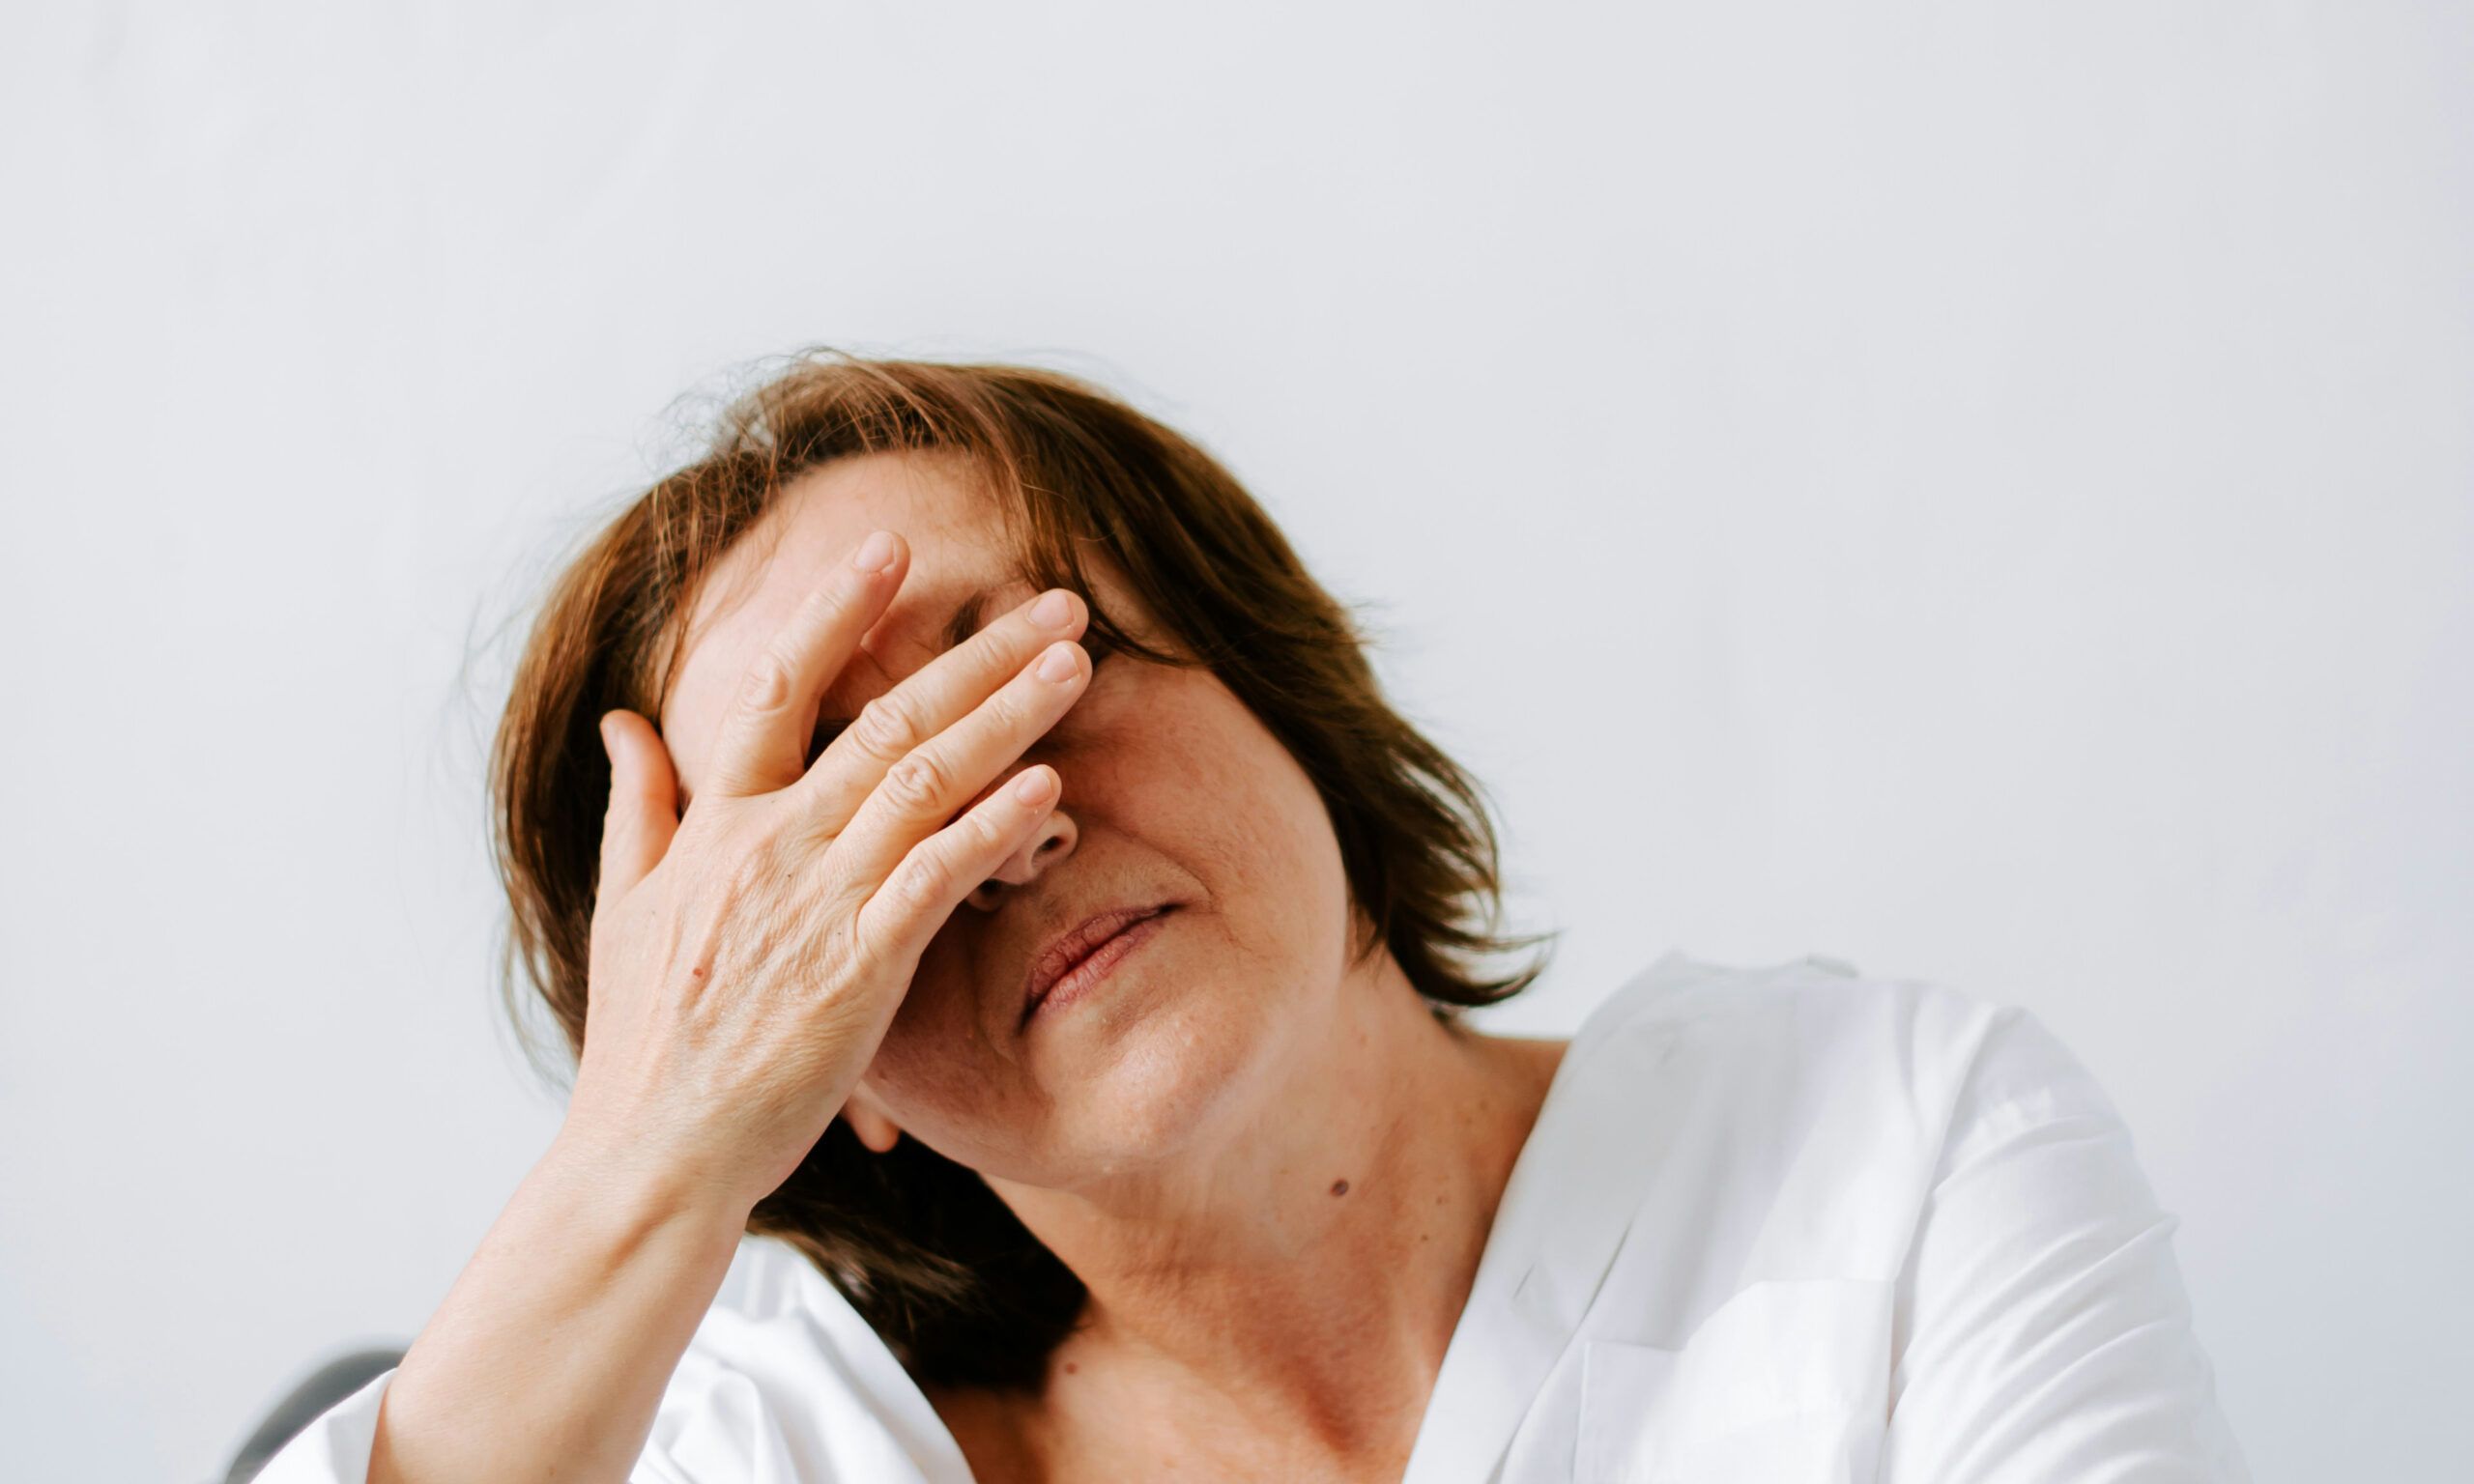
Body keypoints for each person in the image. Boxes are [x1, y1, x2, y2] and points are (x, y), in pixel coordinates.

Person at [253, 354, 2247, 1483]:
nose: (1003, 838)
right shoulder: (779, 1449)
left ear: (1278, 690)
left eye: (1033, 668)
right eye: (845, 833)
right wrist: (647, 1148)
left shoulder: (1895, 1152)